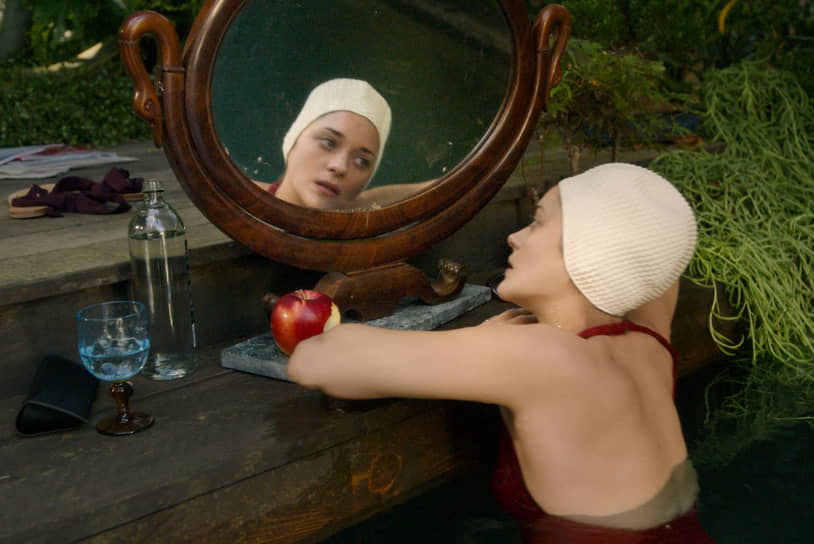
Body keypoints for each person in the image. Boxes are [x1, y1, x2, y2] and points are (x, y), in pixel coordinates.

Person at [286, 163, 717, 543]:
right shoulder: (650, 345)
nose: (514, 237)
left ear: (590, 250)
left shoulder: (540, 355)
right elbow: (659, 260)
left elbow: (317, 361)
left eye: (537, 223)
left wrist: (476, 339)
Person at [260, 78, 433, 210]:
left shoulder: (362, 234)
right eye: (328, 143)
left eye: (361, 161)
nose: (340, 167)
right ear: (293, 140)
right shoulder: (244, 204)